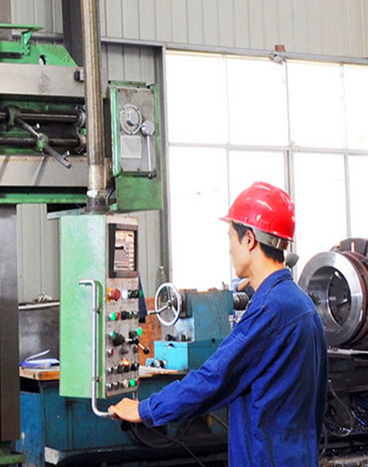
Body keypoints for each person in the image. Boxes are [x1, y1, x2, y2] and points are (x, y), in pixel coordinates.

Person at [109, 181, 327, 466]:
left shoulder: (270, 310)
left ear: (249, 240)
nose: (230, 249)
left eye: (231, 237)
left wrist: (146, 409)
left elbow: (213, 379)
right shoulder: (302, 305)